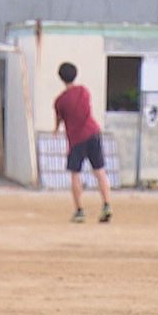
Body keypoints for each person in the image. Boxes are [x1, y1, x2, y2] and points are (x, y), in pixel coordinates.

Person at [54, 62, 112, 223]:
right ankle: (107, 204)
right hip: (93, 133)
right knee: (100, 171)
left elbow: (59, 120)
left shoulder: (60, 101)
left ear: (61, 78)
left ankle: (79, 211)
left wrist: (55, 130)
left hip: (76, 140)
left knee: (75, 174)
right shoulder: (84, 91)